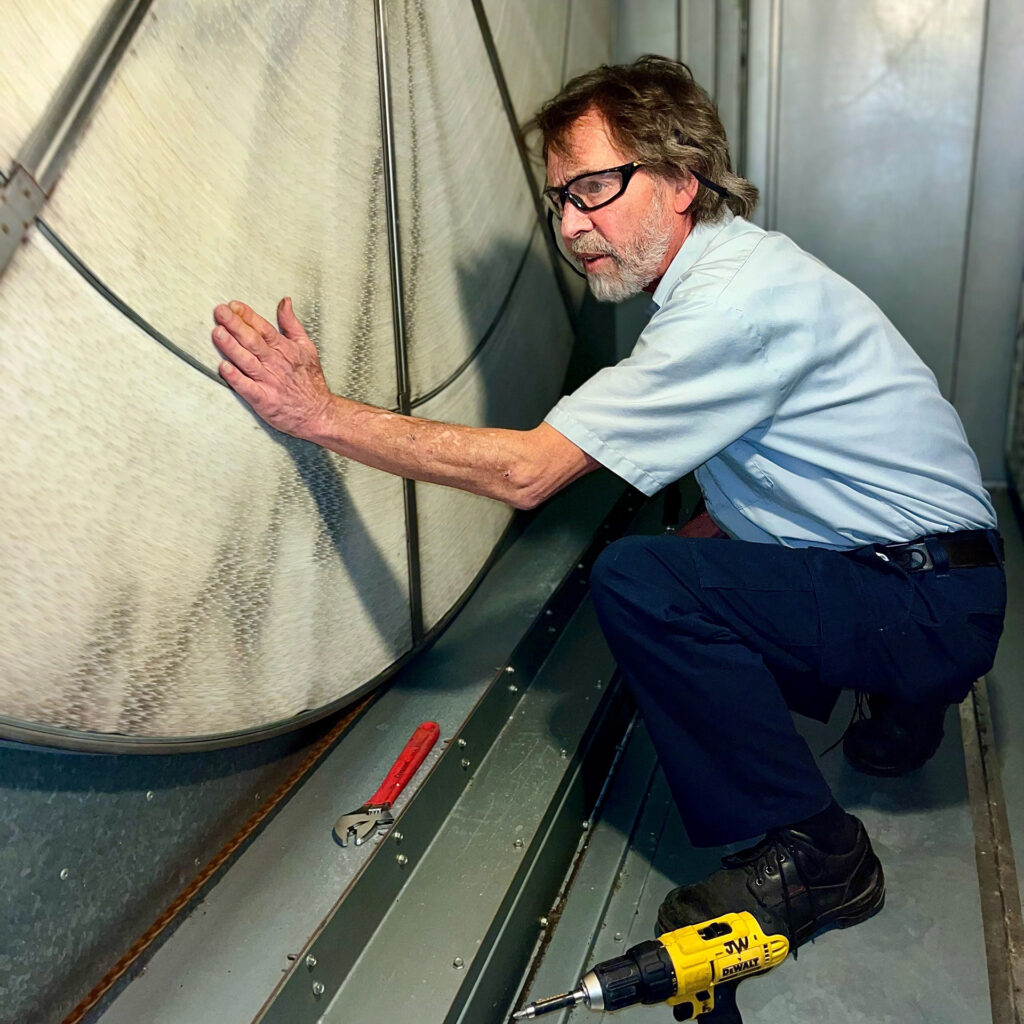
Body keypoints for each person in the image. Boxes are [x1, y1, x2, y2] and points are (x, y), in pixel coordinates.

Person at [211, 56, 1006, 950]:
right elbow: (788, 474)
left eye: (593, 188)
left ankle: (823, 857)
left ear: (678, 179)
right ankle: (906, 703)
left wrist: (319, 415)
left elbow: (527, 474)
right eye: (559, 201)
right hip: (948, 573)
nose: (572, 226)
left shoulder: (727, 305)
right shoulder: (747, 269)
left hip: (930, 604)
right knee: (699, 532)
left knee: (643, 580)